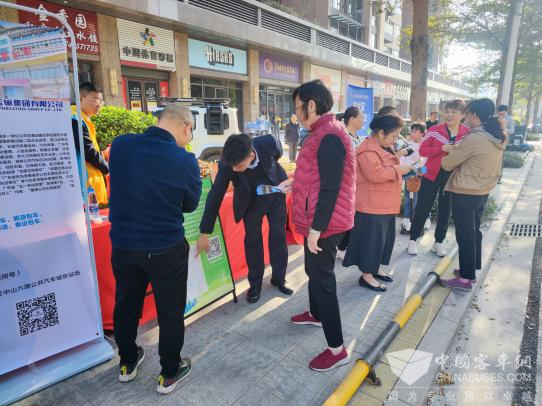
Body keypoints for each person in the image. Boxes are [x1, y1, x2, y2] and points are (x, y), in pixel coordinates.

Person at [108, 104, 201, 394]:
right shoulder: (185, 160)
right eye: (191, 133)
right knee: (170, 310)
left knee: (126, 304)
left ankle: (127, 362)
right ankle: (169, 372)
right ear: (186, 127)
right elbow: (190, 205)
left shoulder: (121, 145)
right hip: (165, 247)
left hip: (124, 245)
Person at [286, 80, 355, 372]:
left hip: (325, 224)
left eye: (298, 107)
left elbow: (330, 187)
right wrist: (293, 183)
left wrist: (316, 230)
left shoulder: (329, 135)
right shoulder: (320, 132)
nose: (296, 113)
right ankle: (316, 314)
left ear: (311, 105)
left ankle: (337, 349)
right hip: (318, 219)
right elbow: (317, 177)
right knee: (313, 271)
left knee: (323, 281)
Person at [196, 133, 293, 304]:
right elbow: (215, 196)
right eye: (232, 166)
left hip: (275, 195)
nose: (234, 170)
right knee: (253, 242)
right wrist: (205, 231)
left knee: (278, 237)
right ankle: (255, 285)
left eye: (239, 165)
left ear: (251, 155)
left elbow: (276, 156)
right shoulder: (228, 164)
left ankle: (279, 278)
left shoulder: (269, 143)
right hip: (250, 203)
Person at [440, 99, 505, 291]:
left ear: (475, 115)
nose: (466, 117)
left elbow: (447, 164)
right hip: (482, 190)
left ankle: (465, 279)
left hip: (465, 191)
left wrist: (451, 151)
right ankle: (471, 268)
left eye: (467, 113)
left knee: (465, 235)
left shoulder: (475, 138)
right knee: (474, 231)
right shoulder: (497, 135)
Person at [344, 115, 411, 292]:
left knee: (385, 241)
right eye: (394, 135)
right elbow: (375, 174)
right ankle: (367, 276)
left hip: (385, 203)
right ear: (381, 133)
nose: (396, 140)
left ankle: (376, 269)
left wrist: (403, 171)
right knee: (371, 243)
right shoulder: (367, 150)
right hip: (372, 205)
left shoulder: (384, 145)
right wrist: (399, 170)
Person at [407, 100, 470, 257]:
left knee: (445, 210)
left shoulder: (467, 133)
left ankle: (438, 242)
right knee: (423, 207)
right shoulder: (434, 130)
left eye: (454, 112)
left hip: (452, 176)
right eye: (447, 111)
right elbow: (423, 151)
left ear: (463, 115)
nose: (449, 115)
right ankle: (413, 240)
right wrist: (442, 148)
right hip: (431, 174)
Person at [71, 82, 108, 204]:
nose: (99, 104)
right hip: (84, 188)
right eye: (95, 99)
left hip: (89, 186)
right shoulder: (75, 119)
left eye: (101, 100)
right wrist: (108, 168)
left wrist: (103, 154)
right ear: (81, 98)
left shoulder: (84, 119)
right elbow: (88, 151)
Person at [336, 106, 365, 260]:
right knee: (345, 216)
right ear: (352, 119)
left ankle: (345, 246)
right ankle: (340, 247)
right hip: (345, 185)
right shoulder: (343, 137)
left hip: (357, 184)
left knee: (352, 217)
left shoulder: (357, 138)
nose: (363, 120)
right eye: (361, 117)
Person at [400, 123, 426, 234]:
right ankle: (406, 222)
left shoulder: (426, 145)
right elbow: (402, 160)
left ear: (422, 133)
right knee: (409, 200)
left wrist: (421, 173)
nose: (412, 133)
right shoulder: (408, 145)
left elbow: (428, 163)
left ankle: (419, 222)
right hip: (409, 176)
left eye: (415, 131)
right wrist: (407, 173)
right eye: (412, 131)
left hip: (422, 177)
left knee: (421, 200)